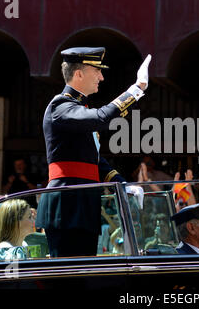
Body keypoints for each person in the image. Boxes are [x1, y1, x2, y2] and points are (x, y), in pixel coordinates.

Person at [35, 47, 151, 257]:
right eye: (96, 71)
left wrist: (123, 185)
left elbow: (95, 162)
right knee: (66, 277)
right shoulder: (60, 106)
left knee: (85, 275)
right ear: (78, 73)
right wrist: (136, 89)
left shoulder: (77, 108)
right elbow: (101, 118)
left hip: (82, 204)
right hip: (67, 206)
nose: (101, 77)